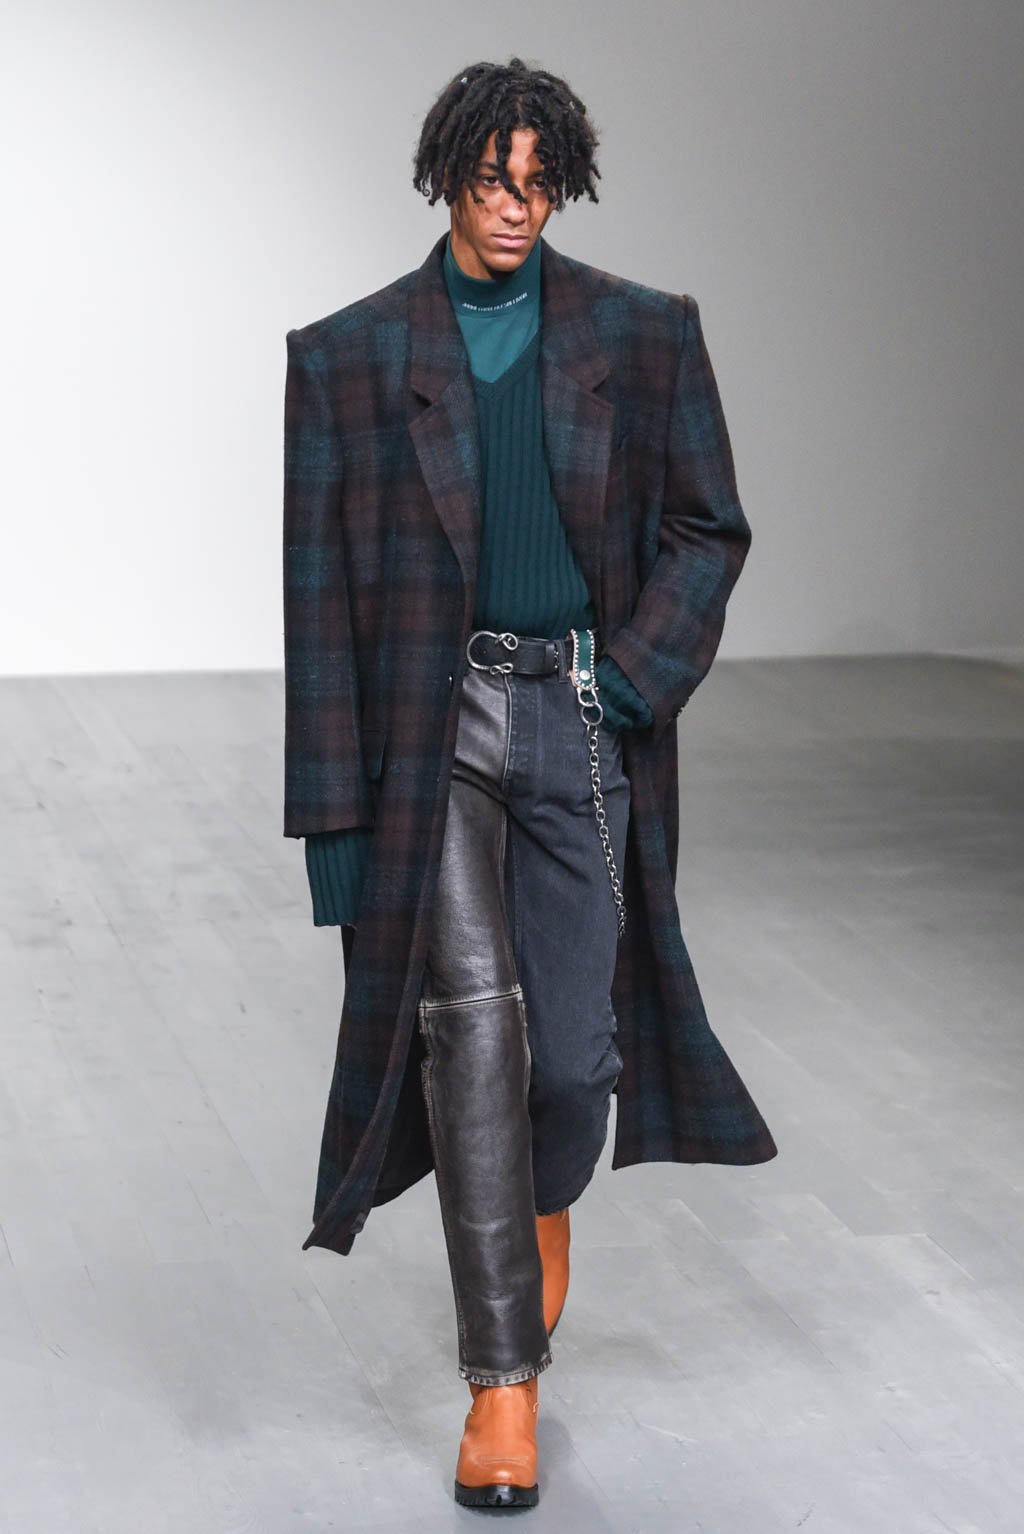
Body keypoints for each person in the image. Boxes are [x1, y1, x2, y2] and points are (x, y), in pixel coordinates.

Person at [282, 55, 777, 1512]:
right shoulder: (349, 357)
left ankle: (539, 1208)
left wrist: (630, 684)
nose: (516, 205)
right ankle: (503, 1385)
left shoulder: (641, 332)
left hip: (578, 715)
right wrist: (333, 828)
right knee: (471, 1043)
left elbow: (709, 528)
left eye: (540, 180)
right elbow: (318, 608)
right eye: (493, 178)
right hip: (427, 739)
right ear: (447, 175)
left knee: (569, 1059)